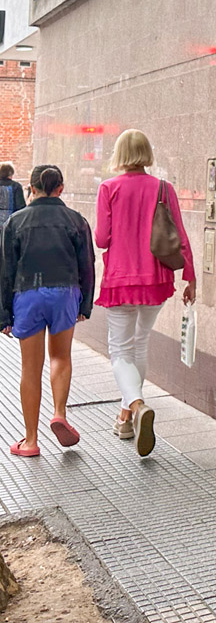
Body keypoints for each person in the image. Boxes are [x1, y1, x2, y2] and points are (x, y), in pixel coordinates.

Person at [95, 129, 195, 457]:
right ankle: (125, 418)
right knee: (140, 344)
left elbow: (102, 239)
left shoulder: (108, 188)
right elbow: (179, 235)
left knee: (120, 350)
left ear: (120, 155)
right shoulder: (164, 188)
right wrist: (190, 277)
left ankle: (136, 407)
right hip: (156, 278)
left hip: (121, 277)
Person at [0, 164, 94, 457]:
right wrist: (84, 304)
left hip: (27, 294)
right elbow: (87, 267)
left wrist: (4, 315)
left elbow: (5, 271)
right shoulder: (76, 220)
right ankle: (59, 413)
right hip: (65, 293)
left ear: (30, 189)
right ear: (60, 189)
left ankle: (30, 441)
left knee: (30, 368)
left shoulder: (15, 222)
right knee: (60, 356)